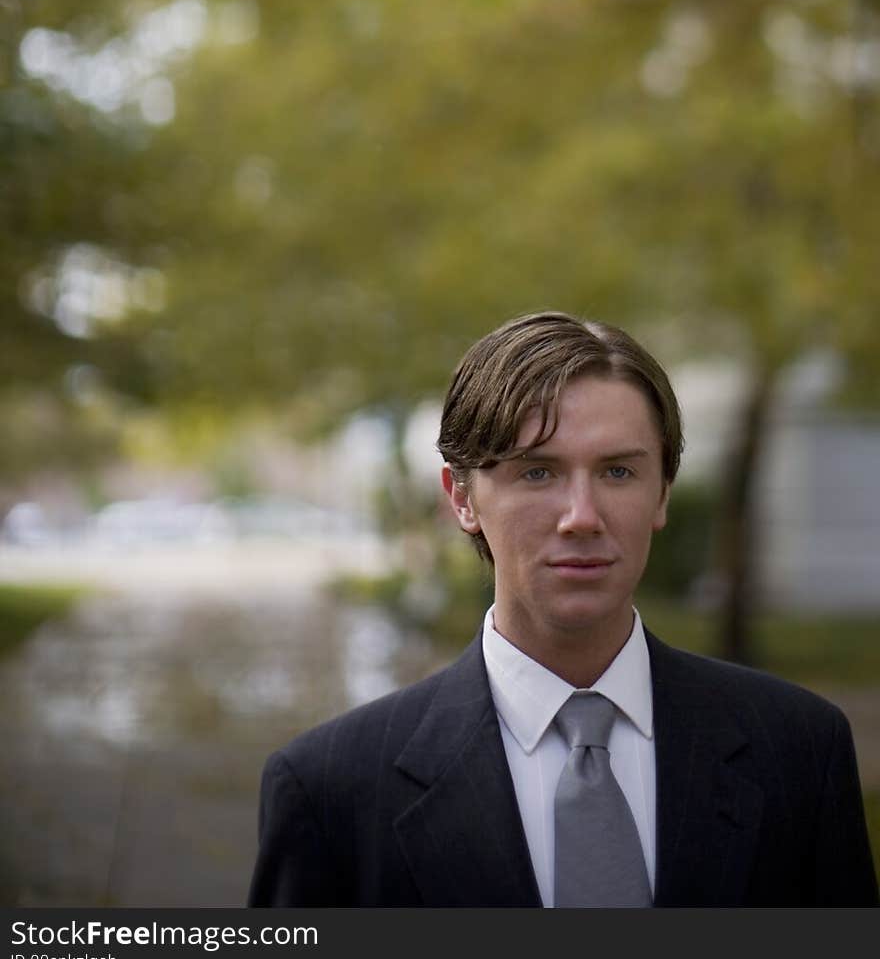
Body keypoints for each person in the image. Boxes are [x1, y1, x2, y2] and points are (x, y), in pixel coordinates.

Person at [247, 311, 879, 908]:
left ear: (663, 491)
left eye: (618, 472)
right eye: (538, 473)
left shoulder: (799, 751)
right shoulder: (330, 790)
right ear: (461, 497)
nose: (581, 517)